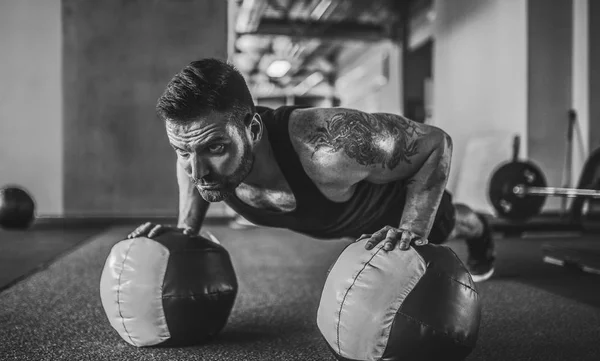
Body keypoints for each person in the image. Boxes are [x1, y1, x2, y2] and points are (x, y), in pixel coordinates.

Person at [128, 59, 496, 282]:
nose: (197, 170)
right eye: (182, 150)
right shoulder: (199, 153)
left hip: (391, 210)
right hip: (339, 221)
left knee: (450, 224)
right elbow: (192, 162)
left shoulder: (328, 146)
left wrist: (412, 233)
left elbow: (435, 143)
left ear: (253, 130)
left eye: (215, 148)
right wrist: (186, 230)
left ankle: (479, 226)